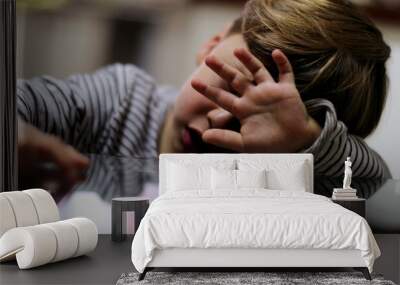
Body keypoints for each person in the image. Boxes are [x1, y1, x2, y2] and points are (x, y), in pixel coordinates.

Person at [17, 0, 392, 187]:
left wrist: (302, 141)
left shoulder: (290, 171)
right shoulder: (122, 101)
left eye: (254, 120)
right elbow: (23, 103)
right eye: (231, 87)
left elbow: (371, 182)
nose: (217, 124)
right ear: (212, 44)